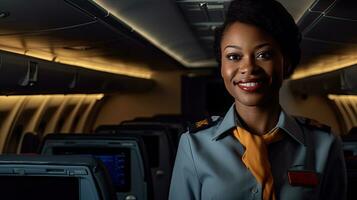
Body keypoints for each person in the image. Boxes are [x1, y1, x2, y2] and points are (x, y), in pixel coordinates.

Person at [169, 0, 347, 199]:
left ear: (285, 64)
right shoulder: (194, 145)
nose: (249, 68)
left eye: (264, 54)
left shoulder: (325, 145)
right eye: (234, 57)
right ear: (222, 67)